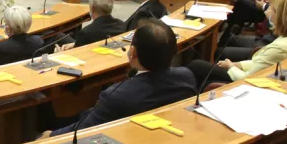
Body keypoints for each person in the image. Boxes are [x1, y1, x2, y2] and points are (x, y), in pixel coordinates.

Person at [62, 19, 197, 130]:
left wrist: (49, 135)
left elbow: (81, 130)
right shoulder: (186, 77)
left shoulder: (116, 95)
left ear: (132, 52)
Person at [187, 0, 287, 84]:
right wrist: (237, 64)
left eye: (271, 9)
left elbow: (247, 78)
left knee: (196, 65)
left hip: (249, 83)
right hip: (258, 74)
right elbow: (261, 63)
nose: (267, 12)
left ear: (281, 16)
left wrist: (231, 66)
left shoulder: (280, 47)